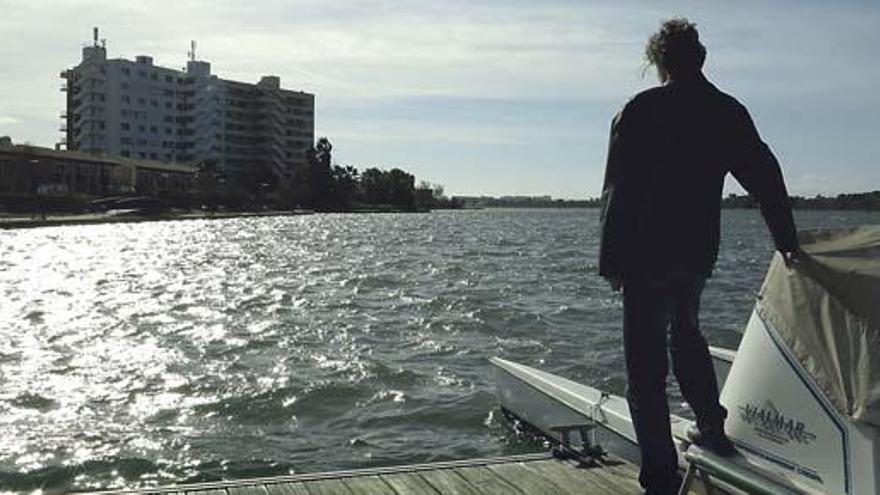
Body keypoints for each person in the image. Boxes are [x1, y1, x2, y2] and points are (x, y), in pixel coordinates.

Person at [598, 18, 800, 495]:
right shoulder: (726, 111)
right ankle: (711, 426)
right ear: (701, 59)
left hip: (645, 257)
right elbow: (765, 177)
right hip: (696, 253)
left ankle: (661, 480)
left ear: (658, 62)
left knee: (646, 371)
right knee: (687, 333)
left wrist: (612, 261)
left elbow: (617, 193)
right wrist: (785, 239)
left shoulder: (639, 110)